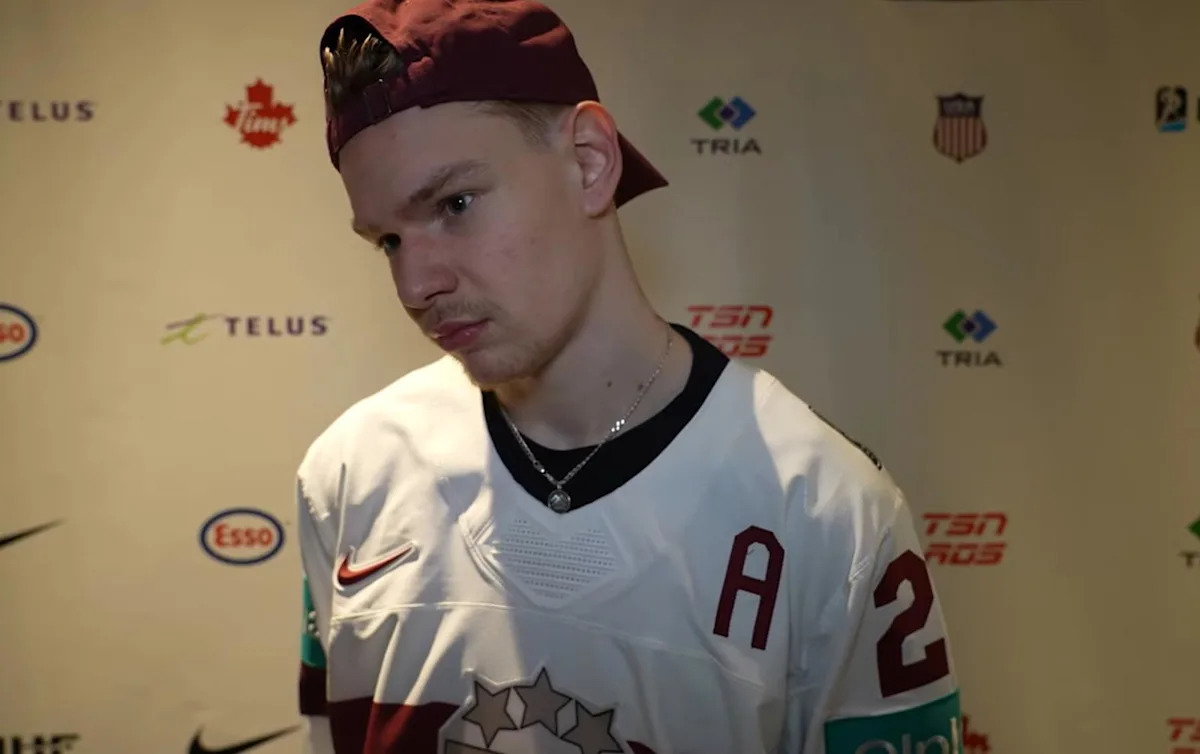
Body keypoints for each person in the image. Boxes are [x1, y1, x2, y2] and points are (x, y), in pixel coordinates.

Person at [296, 0, 963, 752]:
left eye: (455, 204)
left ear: (589, 161)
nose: (416, 284)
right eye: (387, 240)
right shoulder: (348, 474)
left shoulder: (825, 511)